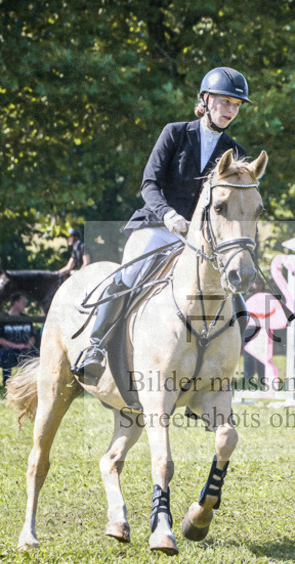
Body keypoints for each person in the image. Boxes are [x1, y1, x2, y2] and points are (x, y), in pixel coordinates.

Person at [73, 66, 251, 384]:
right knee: (128, 276)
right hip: (157, 227)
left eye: (235, 105)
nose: (230, 110)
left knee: (238, 305)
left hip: (202, 241)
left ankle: (215, 374)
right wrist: (168, 215)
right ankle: (96, 348)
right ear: (206, 99)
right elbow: (149, 184)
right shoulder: (175, 133)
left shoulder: (236, 153)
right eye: (224, 102)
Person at [0, 294, 39, 385]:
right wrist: (16, 346)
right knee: (7, 353)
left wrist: (28, 345)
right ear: (16, 302)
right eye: (23, 302)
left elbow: (32, 337)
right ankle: (7, 384)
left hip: (24, 351)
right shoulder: (3, 319)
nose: (25, 305)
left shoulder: (26, 319)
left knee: (38, 355)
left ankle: (33, 384)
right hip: (7, 351)